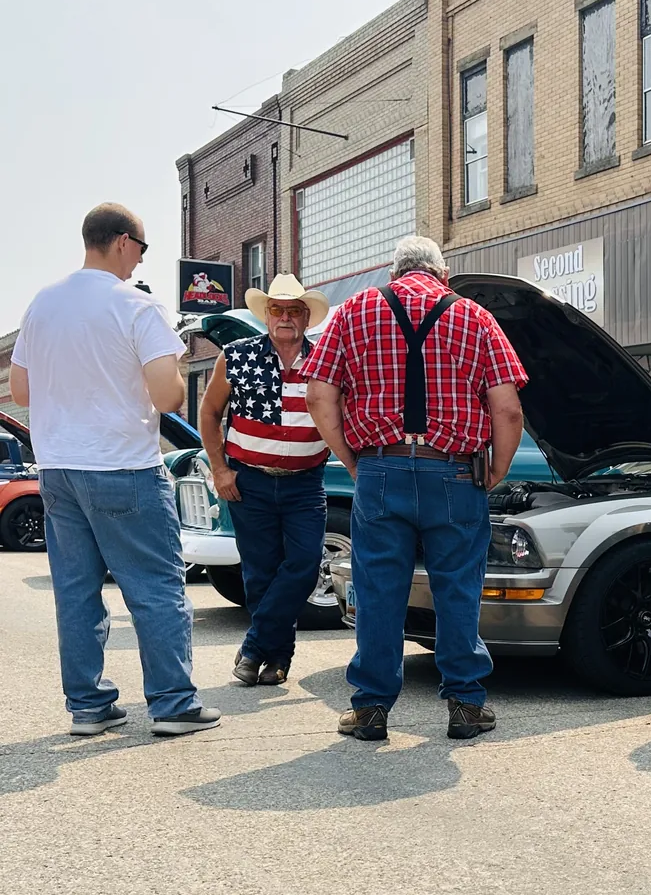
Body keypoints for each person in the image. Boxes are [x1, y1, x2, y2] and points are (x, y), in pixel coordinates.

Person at [302, 236, 526, 742]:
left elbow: (319, 394)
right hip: (455, 471)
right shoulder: (474, 316)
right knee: (457, 588)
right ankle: (465, 705)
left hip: (381, 470)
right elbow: (508, 409)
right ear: (441, 276)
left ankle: (371, 710)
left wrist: (353, 460)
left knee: (379, 590)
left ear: (394, 273)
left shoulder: (354, 311)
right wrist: (498, 469)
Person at [10, 203, 220, 736]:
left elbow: (21, 391)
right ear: (125, 242)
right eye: (143, 250)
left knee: (76, 591)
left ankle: (88, 706)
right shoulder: (136, 306)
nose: (141, 261)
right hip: (123, 464)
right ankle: (173, 704)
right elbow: (170, 395)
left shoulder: (42, 304)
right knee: (155, 585)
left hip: (58, 468)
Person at [198, 273, 331, 686]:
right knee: (259, 573)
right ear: (267, 315)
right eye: (278, 310)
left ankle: (254, 645)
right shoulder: (235, 355)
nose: (286, 317)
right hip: (249, 482)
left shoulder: (326, 360)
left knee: (306, 565)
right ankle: (277, 660)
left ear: (307, 317)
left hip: (305, 483)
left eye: (294, 310)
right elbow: (208, 413)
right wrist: (220, 469)